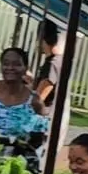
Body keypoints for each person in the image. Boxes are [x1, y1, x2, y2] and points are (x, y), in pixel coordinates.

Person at [35, 19, 71, 152]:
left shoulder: (52, 64)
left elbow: (40, 97)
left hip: (48, 119)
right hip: (57, 117)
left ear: (42, 39)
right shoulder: (60, 61)